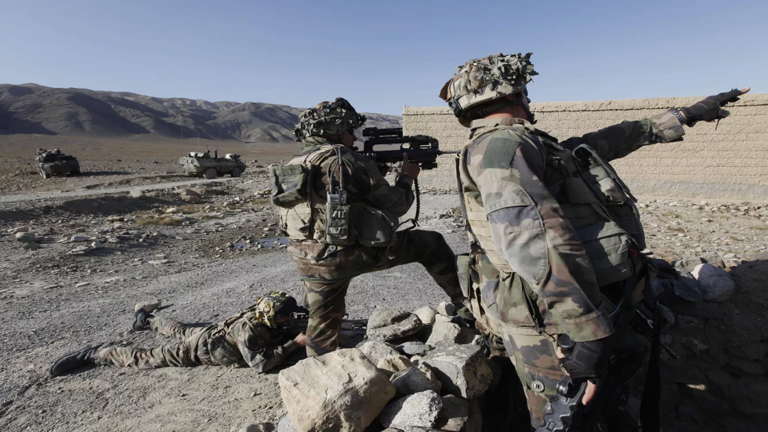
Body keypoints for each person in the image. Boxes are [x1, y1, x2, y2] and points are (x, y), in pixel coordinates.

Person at [440, 52, 748, 428]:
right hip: (550, 320)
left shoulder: (526, 143)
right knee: (566, 416)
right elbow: (531, 241)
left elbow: (607, 140)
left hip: (561, 310)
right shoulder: (503, 147)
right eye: (524, 90)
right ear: (512, 92)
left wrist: (685, 115)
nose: (529, 98)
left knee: (599, 406)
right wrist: (587, 330)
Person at [271, 97, 470, 357]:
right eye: (349, 131)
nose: (354, 138)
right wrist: (407, 176)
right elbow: (397, 204)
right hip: (345, 254)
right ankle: (467, 310)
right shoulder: (345, 159)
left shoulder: (294, 164)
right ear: (334, 130)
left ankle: (318, 364)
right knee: (431, 244)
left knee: (322, 320)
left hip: (308, 259)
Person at [49, 291, 306, 376]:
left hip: (211, 334)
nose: (287, 319)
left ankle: (146, 319)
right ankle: (97, 354)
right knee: (147, 357)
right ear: (273, 316)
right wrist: (294, 343)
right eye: (284, 316)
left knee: (179, 329)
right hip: (200, 351)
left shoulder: (264, 312)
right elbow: (260, 365)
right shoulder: (248, 330)